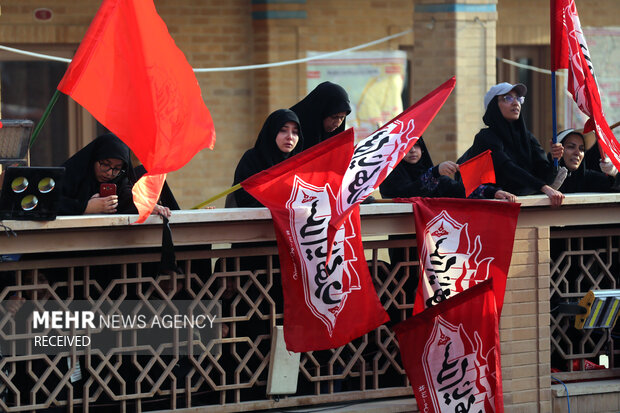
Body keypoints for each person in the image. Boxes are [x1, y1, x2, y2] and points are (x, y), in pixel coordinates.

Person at [458, 82, 565, 206]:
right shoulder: (485, 137)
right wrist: (544, 187)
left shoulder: (527, 137)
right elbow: (507, 167)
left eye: (519, 98)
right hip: (490, 210)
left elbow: (545, 176)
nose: (516, 103)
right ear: (494, 106)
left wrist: (554, 159)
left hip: (525, 209)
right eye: (507, 98)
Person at [58, 133, 170, 217]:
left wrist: (147, 207)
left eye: (117, 168)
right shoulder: (71, 175)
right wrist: (85, 207)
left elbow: (127, 199)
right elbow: (47, 203)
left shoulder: (120, 179)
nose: (110, 173)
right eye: (105, 165)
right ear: (93, 159)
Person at [233, 109, 304, 207]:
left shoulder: (300, 162)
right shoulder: (253, 159)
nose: (290, 137)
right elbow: (244, 198)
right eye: (283, 130)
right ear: (272, 131)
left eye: (295, 132)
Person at [552, 129, 620, 193]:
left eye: (581, 149)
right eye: (571, 147)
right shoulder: (545, 176)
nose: (577, 153)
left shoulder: (590, 179)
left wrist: (615, 174)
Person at [290, 81, 351, 149]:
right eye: (334, 117)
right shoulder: (290, 128)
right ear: (321, 111)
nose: (337, 124)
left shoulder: (333, 134)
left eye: (342, 118)